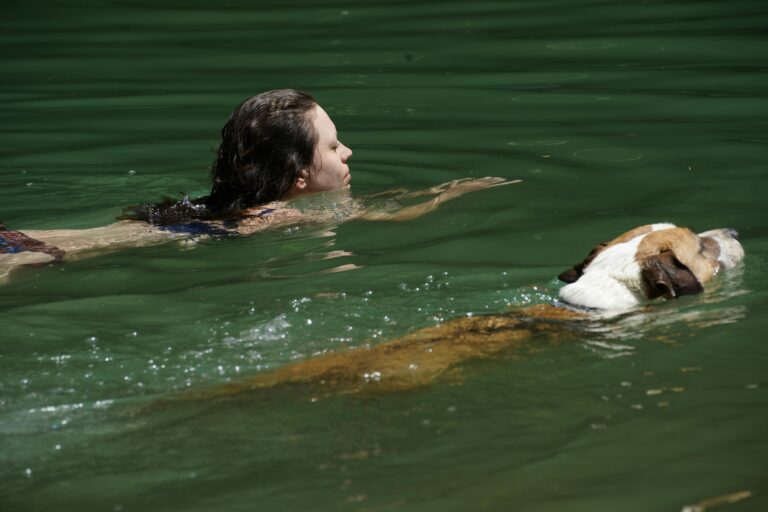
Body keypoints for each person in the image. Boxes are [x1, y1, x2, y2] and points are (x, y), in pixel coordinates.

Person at [1, 89, 519, 280]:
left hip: (33, 236)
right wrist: (452, 194)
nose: (348, 153)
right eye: (335, 147)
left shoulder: (218, 204)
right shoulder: (284, 215)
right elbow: (390, 215)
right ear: (297, 179)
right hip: (41, 255)